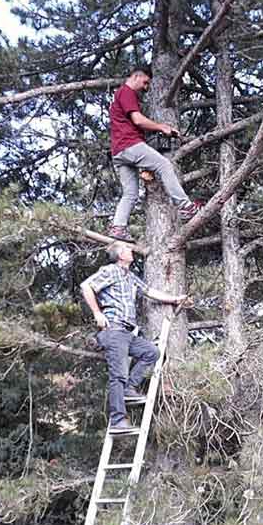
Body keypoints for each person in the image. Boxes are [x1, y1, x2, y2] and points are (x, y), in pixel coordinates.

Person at [81, 240, 188, 433]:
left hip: (128, 333)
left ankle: (130, 388)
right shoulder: (111, 271)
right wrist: (97, 313)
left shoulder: (129, 277)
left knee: (153, 353)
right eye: (127, 248)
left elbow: (149, 291)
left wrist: (174, 299)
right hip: (114, 330)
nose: (131, 250)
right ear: (120, 255)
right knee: (118, 375)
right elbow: (86, 286)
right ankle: (118, 419)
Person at [108, 68, 203, 242]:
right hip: (129, 145)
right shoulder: (127, 91)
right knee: (163, 165)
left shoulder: (118, 97)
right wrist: (162, 127)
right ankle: (185, 207)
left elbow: (132, 124)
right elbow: (138, 120)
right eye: (145, 82)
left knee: (130, 194)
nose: (146, 87)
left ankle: (118, 227)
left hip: (119, 152)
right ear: (136, 76)